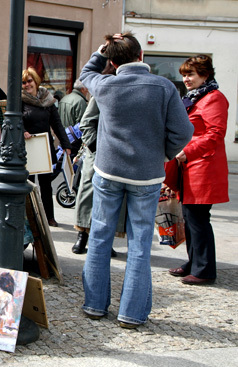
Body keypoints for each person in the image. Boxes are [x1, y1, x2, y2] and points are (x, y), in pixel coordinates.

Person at [79, 32, 193, 328]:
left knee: (100, 237)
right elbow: (184, 132)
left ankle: (94, 305)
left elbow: (86, 73)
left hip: (108, 171)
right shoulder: (164, 87)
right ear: (141, 56)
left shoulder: (106, 84)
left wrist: (101, 51)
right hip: (147, 175)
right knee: (140, 243)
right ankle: (131, 313)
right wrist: (163, 154)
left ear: (113, 62)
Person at [167, 55, 229, 285]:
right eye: (184, 74)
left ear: (205, 74)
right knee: (190, 218)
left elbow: (214, 134)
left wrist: (187, 152)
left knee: (199, 219)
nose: (186, 79)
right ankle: (194, 263)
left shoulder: (214, 98)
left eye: (191, 74)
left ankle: (204, 270)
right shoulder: (196, 97)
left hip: (203, 167)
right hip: (190, 166)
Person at [72, 63, 121, 257]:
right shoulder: (102, 90)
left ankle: (104, 240)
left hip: (118, 153)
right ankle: (82, 235)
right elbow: (86, 123)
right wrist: (94, 146)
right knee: (87, 190)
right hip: (97, 151)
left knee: (112, 197)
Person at [22, 67, 72, 227]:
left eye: (29, 81)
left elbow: (57, 124)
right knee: (28, 184)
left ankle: (49, 217)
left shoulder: (47, 99)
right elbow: (15, 120)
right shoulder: (19, 99)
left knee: (45, 185)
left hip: (44, 148)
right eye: (23, 82)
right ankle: (29, 217)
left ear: (36, 81)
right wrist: (23, 131)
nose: (27, 85)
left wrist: (66, 144)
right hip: (27, 148)